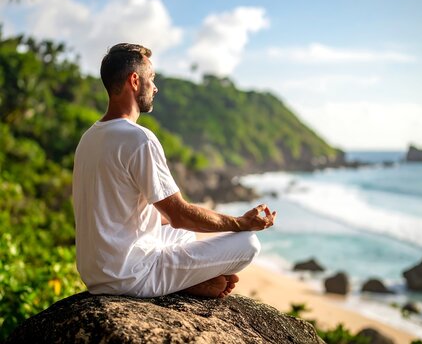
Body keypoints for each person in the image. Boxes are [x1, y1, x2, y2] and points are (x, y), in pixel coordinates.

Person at [72, 43, 276, 299]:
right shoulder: (138, 139)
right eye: (152, 79)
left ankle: (189, 280)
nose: (155, 87)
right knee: (248, 244)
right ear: (135, 81)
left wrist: (196, 221)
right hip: (131, 275)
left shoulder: (89, 138)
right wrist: (240, 223)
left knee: (184, 233)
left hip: (97, 273)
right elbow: (179, 214)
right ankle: (184, 281)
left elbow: (130, 212)